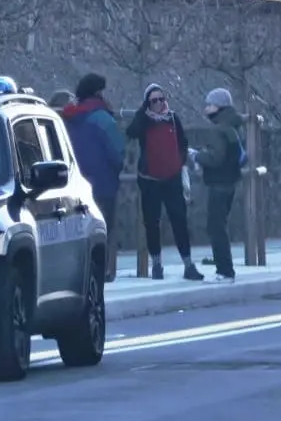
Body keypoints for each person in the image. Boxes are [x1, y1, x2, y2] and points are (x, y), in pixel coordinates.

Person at [124, 84, 204, 281]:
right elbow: (131, 132)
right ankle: (157, 265)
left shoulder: (173, 118)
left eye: (162, 99)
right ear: (148, 103)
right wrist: (143, 113)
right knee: (152, 223)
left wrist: (180, 161)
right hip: (149, 179)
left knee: (179, 221)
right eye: (154, 100)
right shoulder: (144, 121)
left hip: (172, 178)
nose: (159, 103)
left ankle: (188, 264)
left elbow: (183, 142)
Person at [62, 72, 126, 279]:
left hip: (74, 184)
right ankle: (103, 270)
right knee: (104, 228)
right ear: (99, 92)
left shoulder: (68, 118)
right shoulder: (103, 118)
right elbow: (117, 152)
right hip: (103, 183)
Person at [194, 87, 245, 282]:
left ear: (219, 106)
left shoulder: (218, 129)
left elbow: (216, 158)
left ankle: (225, 271)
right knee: (220, 226)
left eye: (210, 104)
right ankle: (225, 268)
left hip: (218, 183)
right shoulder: (233, 126)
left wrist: (197, 156)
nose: (206, 108)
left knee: (216, 228)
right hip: (230, 182)